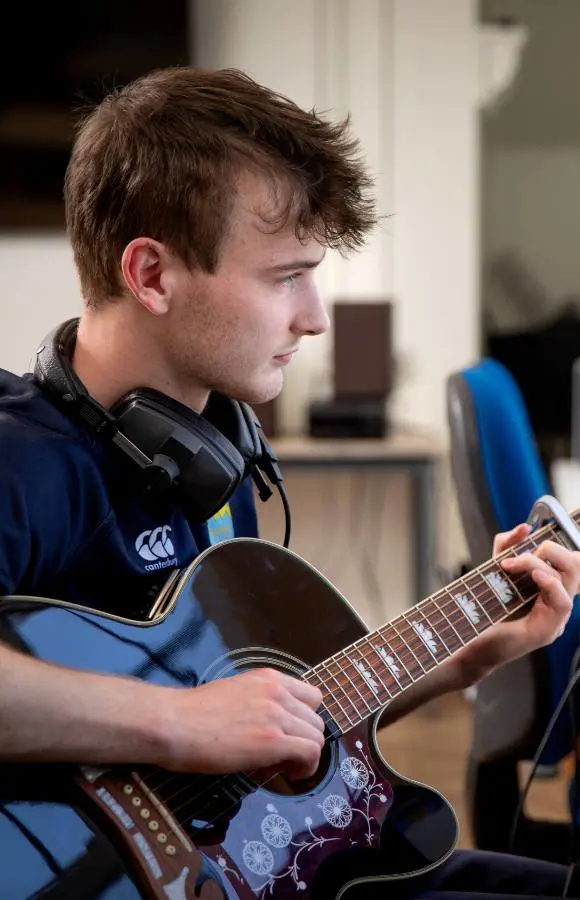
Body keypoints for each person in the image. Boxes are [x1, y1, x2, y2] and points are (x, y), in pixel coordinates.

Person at [0, 65, 578, 900]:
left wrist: (466, 657)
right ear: (152, 275)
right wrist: (179, 724)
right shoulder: (23, 462)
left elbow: (280, 728)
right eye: (286, 277)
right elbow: (204, 729)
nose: (316, 316)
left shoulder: (213, 464)